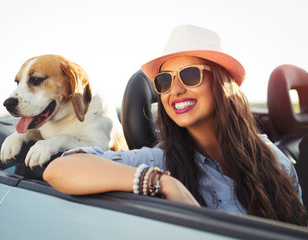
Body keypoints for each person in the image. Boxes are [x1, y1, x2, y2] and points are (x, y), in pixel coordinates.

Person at [43, 25, 307, 226]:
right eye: (164, 82)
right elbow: (59, 169)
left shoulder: (274, 159)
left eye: (190, 75)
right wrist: (165, 184)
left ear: (221, 84)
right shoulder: (161, 161)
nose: (175, 90)